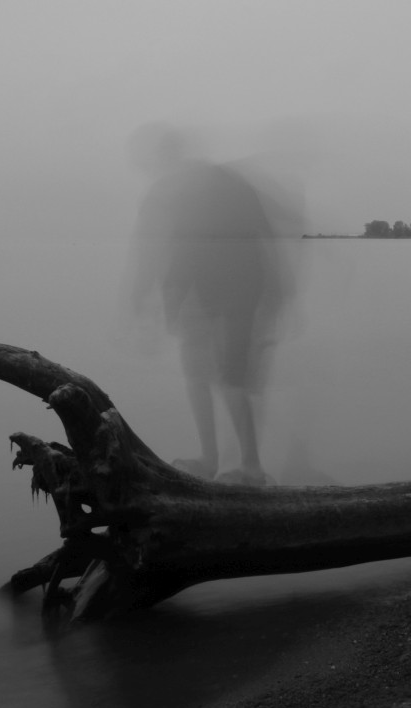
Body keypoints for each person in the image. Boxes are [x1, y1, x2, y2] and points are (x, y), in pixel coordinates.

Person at [126, 124, 288, 486]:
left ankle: (250, 467)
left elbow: (184, 244)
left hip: (237, 292)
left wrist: (158, 295)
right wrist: (157, 295)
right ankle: (211, 458)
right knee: (200, 373)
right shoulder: (189, 186)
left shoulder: (202, 186)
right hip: (211, 292)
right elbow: (164, 246)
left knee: (230, 378)